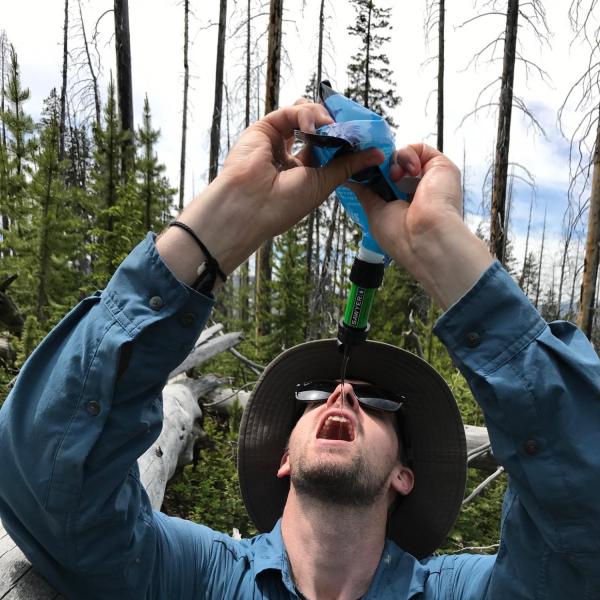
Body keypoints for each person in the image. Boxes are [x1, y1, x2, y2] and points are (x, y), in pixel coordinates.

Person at [0, 98, 599, 600]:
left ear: (405, 475)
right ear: (284, 456)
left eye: (376, 398)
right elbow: (43, 473)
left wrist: (445, 252)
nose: (341, 392)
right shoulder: (194, 578)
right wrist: (221, 224)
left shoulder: (461, 593)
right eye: (311, 395)